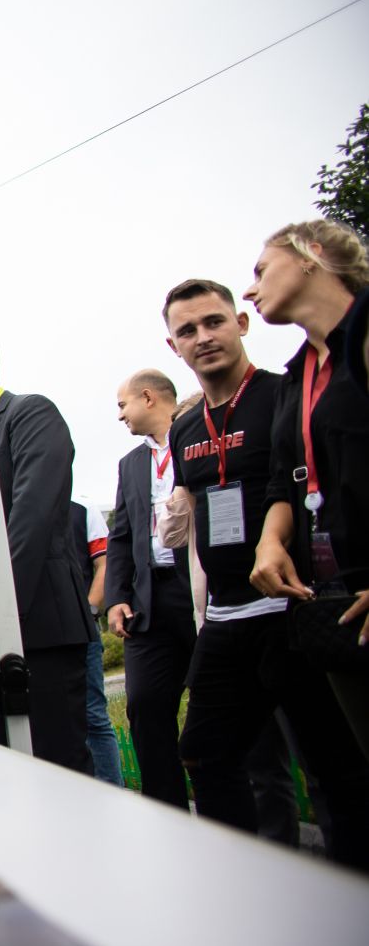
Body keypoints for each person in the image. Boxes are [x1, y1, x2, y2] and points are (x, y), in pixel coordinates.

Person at [158, 277, 369, 869]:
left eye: (214, 322)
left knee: (332, 767)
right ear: (173, 346)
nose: (204, 337)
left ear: (242, 323)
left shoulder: (285, 395)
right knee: (204, 752)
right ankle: (244, 880)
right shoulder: (184, 427)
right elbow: (193, 513)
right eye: (188, 330)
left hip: (293, 610)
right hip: (225, 617)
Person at [247, 219, 369, 761]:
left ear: (309, 254)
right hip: (335, 598)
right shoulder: (296, 376)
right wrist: (271, 541)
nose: (250, 289)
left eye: (261, 270)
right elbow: (287, 476)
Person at [0, 325, 96, 773]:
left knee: (57, 772)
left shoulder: (29, 413)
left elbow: (30, 521)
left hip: (35, 629)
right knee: (2, 775)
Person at [106, 368, 196, 806]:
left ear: (148, 398)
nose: (120, 415)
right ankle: (168, 814)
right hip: (149, 600)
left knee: (225, 705)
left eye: (123, 405)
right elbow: (122, 535)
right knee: (144, 706)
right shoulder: (131, 464)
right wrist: (117, 598)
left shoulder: (197, 436)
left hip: (198, 590)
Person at [72, 498, 123, 785]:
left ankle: (110, 790)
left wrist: (89, 610)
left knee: (92, 715)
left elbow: (104, 564)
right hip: (38, 631)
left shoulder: (83, 508)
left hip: (81, 630)